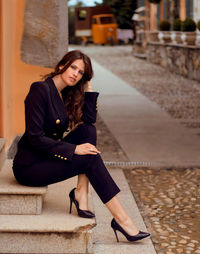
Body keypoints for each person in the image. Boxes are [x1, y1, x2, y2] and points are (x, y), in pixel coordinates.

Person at [12, 50, 150, 243]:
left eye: (80, 72)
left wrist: (88, 86)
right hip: (29, 166)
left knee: (88, 132)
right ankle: (122, 219)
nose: (75, 74)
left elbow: (89, 121)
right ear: (62, 66)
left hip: (47, 155)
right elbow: (35, 138)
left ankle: (81, 193)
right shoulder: (40, 89)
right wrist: (73, 149)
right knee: (90, 158)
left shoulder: (65, 93)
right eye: (73, 67)